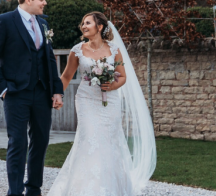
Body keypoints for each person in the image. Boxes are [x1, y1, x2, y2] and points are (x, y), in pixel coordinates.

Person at [48, 11, 156, 196]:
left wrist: (112, 85)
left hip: (110, 101)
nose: (83, 26)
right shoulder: (77, 50)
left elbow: (122, 77)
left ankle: (110, 188)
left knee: (109, 140)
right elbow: (66, 76)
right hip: (86, 100)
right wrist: (58, 95)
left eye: (88, 23)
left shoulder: (114, 50)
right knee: (89, 138)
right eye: (83, 23)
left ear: (100, 27)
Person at [0, 0, 64, 196]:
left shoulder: (44, 24)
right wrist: (1, 88)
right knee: (18, 142)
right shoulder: (4, 21)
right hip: (15, 93)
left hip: (41, 92)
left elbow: (49, 59)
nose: (45, 3)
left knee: (41, 140)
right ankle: (15, 191)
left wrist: (57, 90)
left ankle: (34, 189)